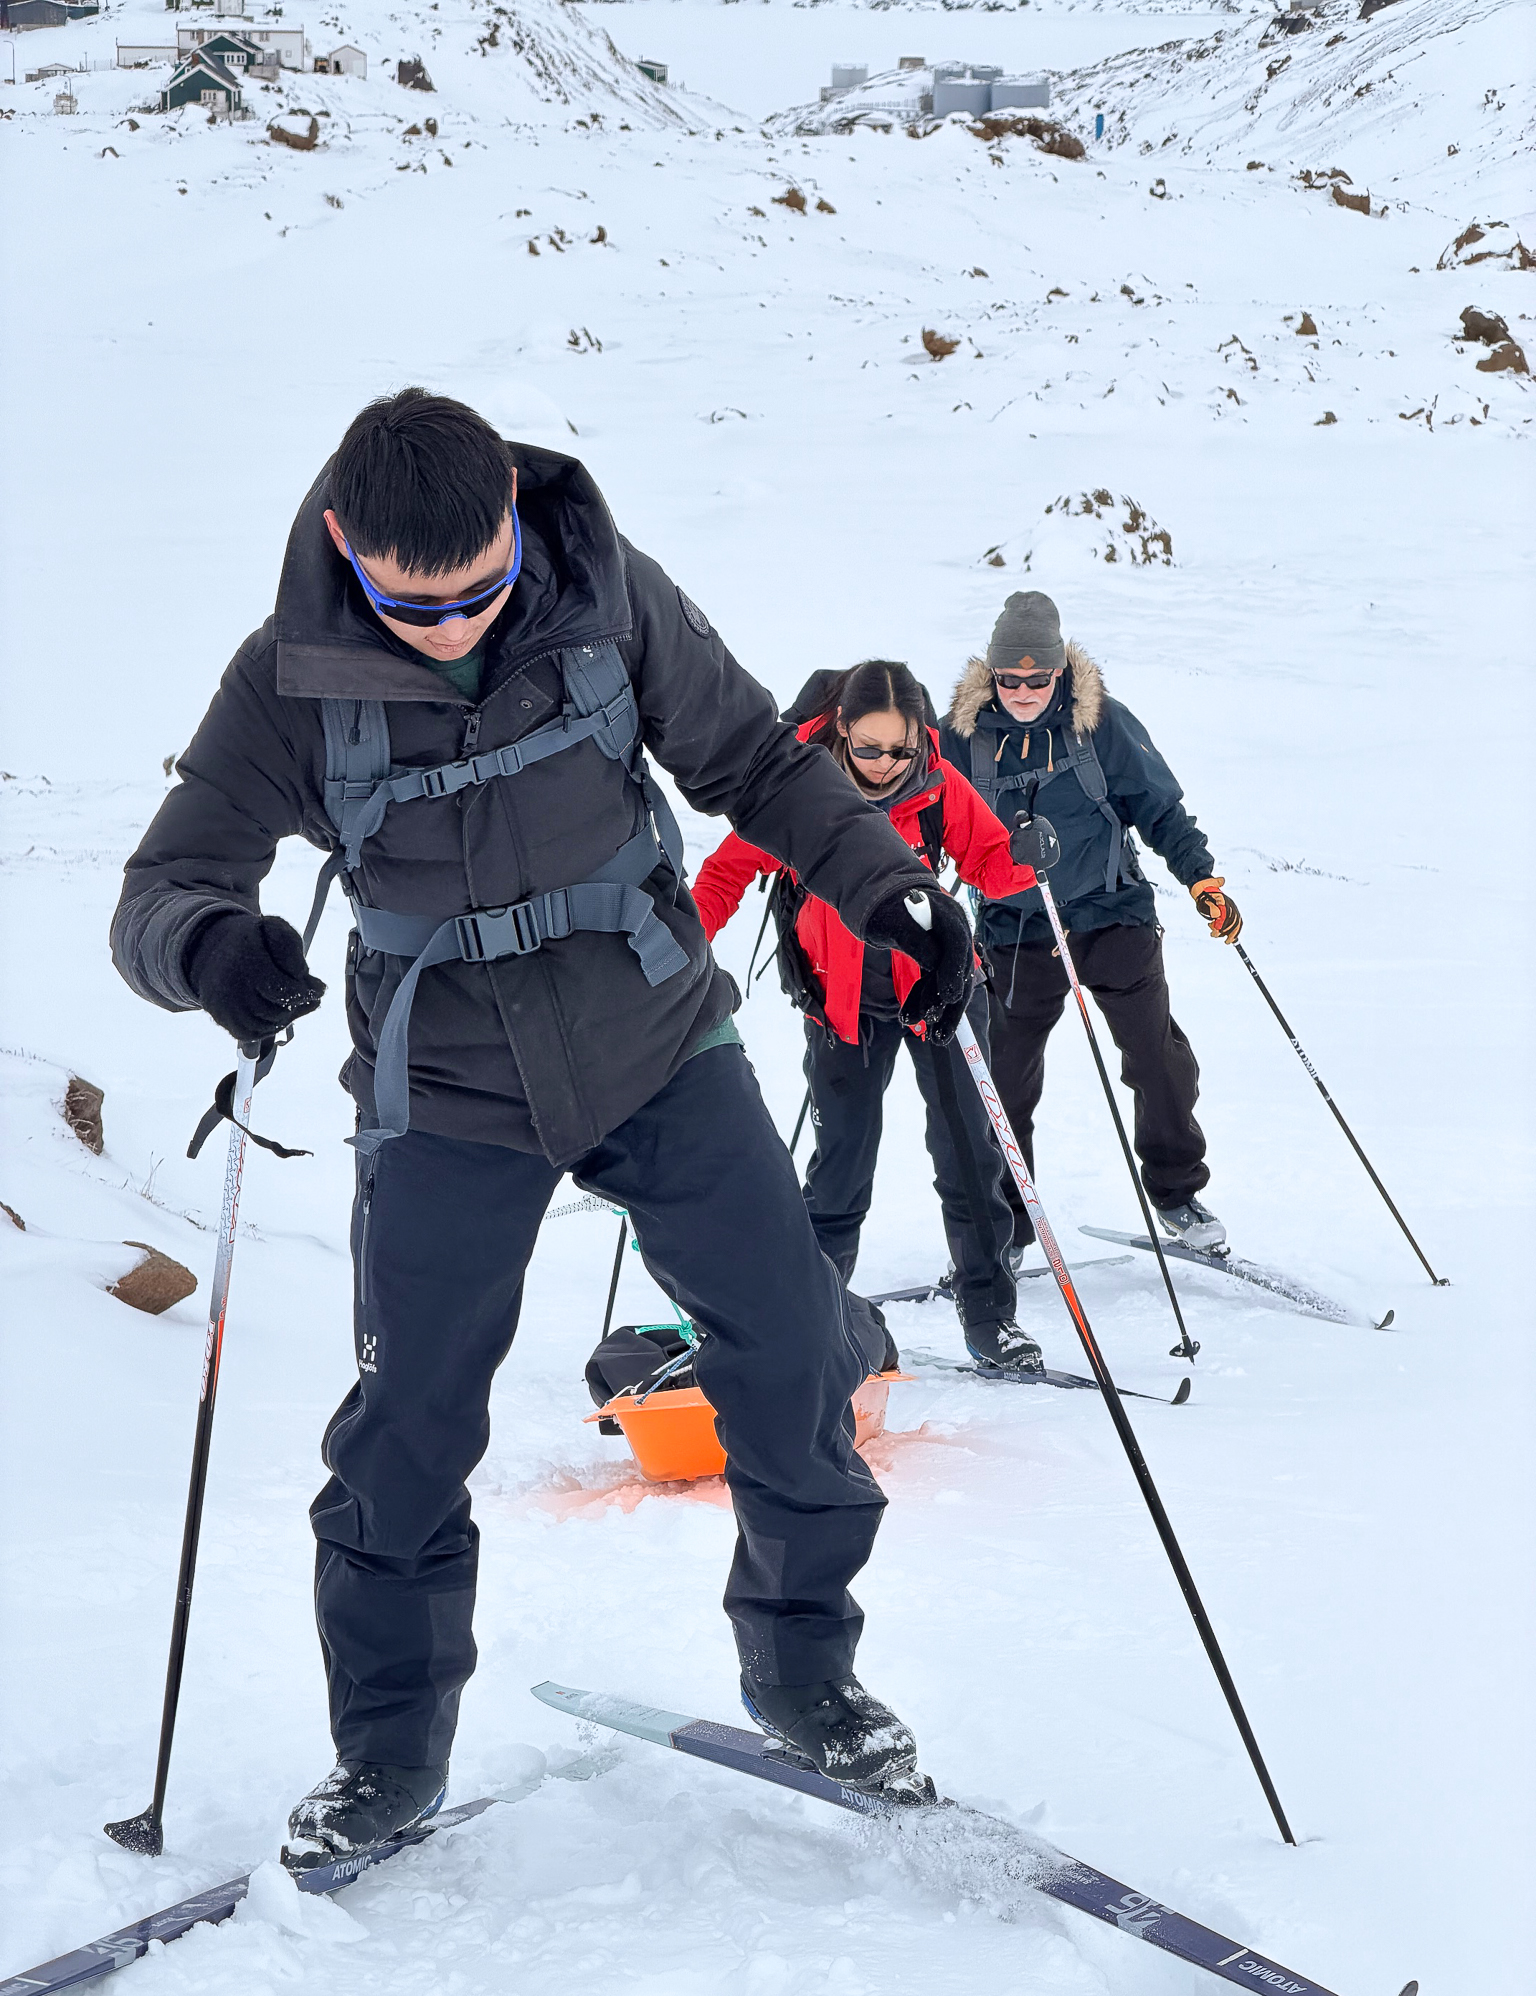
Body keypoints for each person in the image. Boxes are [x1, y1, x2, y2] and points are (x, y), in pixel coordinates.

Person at [111, 390, 981, 1858]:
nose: (451, 624)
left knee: (792, 1346)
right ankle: (388, 1758)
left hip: (657, 1043)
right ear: (346, 542)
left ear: (515, 516)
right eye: (410, 600)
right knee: (407, 1429)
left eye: (480, 590)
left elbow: (759, 765)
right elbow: (162, 886)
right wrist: (208, 948)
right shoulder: (285, 682)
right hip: (443, 1090)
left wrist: (881, 880)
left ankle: (806, 1676)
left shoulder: (603, 592)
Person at [691, 662, 1046, 1377]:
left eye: (902, 750)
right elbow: (725, 875)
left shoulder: (940, 787)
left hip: (940, 999)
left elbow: (990, 864)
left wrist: (1029, 859)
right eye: (871, 749)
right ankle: (811, 1322)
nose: (888, 765)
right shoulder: (797, 795)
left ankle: (990, 1320)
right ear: (843, 731)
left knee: (970, 1162)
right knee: (839, 1174)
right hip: (840, 1011)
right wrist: (684, 947)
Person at [940, 591, 1241, 1255]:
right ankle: (1009, 1224)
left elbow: (1160, 809)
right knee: (1003, 1080)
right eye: (1008, 679)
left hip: (1113, 914)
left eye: (1037, 679)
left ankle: (1176, 1192)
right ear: (991, 675)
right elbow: (925, 819)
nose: (1022, 691)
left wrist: (1202, 878)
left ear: (1059, 674)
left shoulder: (1099, 723)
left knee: (1157, 1057)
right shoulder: (958, 738)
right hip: (1014, 929)